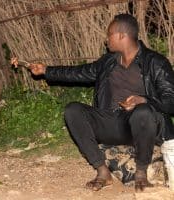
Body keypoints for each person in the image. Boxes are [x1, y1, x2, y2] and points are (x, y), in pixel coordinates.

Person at [11, 13, 174, 192]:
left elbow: (170, 102)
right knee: (73, 110)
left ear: (122, 36)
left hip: (144, 126)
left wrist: (143, 100)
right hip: (114, 122)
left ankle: (141, 173)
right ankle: (102, 172)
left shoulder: (156, 62)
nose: (106, 39)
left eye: (109, 34)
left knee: (143, 111)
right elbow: (79, 72)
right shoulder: (108, 62)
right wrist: (46, 70)